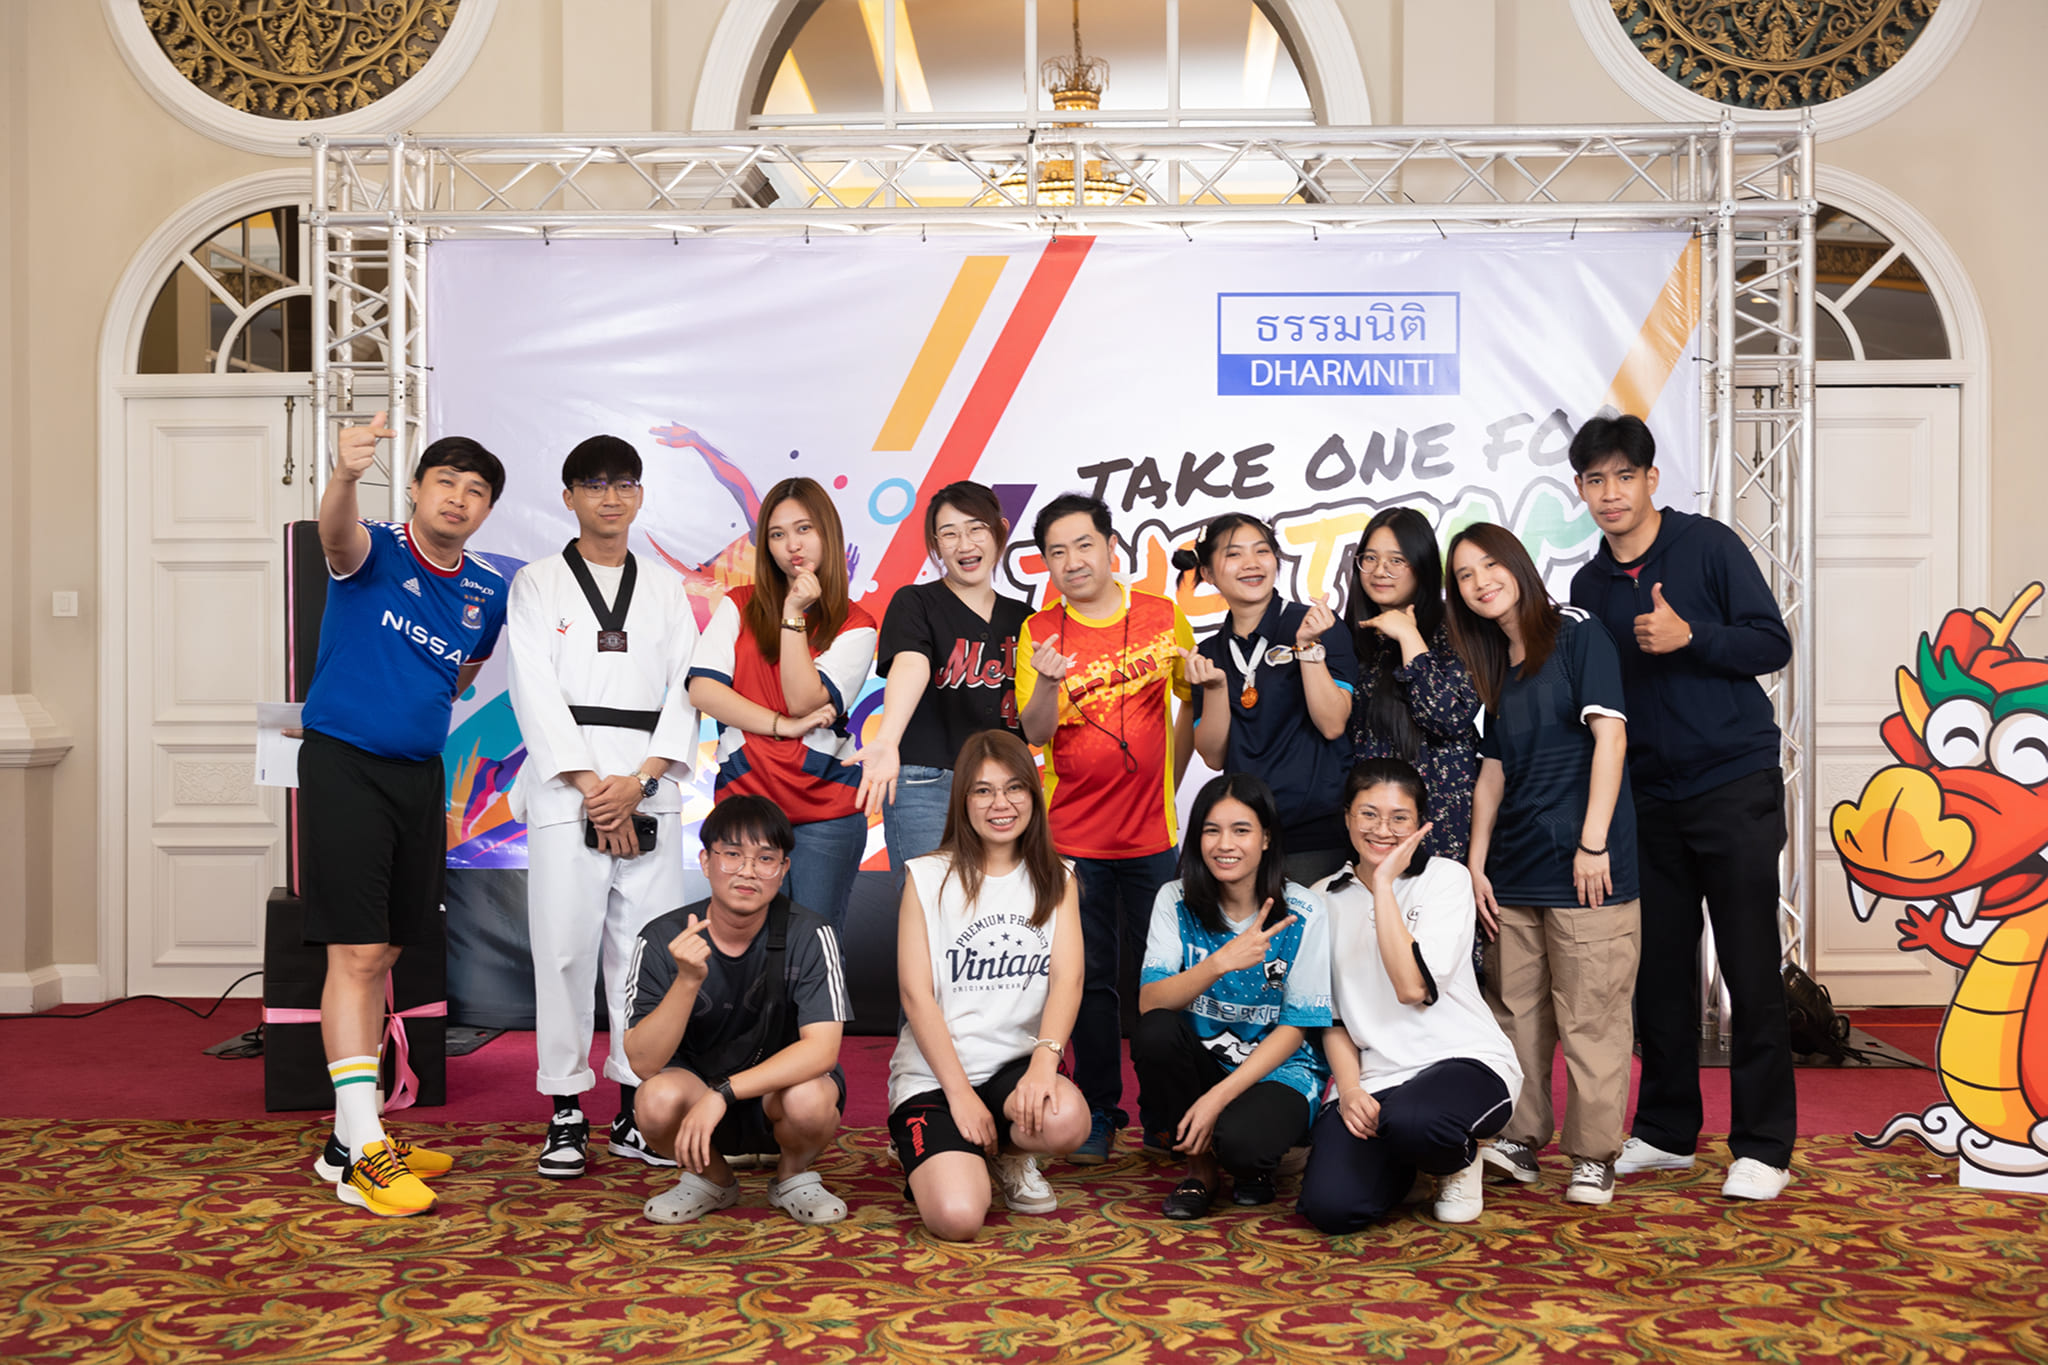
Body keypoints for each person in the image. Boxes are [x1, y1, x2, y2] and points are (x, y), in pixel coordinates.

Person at [1568, 413, 1798, 1201]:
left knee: (1748, 967)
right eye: (1595, 480)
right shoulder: (1587, 588)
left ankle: (1763, 1145)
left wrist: (1690, 635)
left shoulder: (1708, 546)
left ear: (1651, 479)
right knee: (1658, 974)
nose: (1611, 493)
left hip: (1731, 784)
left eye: (1623, 476)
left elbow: (1771, 643)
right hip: (1646, 799)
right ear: (1581, 490)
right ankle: (1668, 1129)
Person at [299, 410, 507, 1216]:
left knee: (383, 949)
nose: (458, 497)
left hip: (419, 775)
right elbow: (335, 536)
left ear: (486, 509)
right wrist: (346, 474)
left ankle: (348, 1138)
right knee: (354, 952)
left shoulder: (487, 591)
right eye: (445, 481)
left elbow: (459, 677)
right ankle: (363, 1153)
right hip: (345, 763)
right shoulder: (375, 547)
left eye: (476, 489)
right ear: (415, 489)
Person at [505, 434, 700, 1180]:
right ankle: (564, 1106)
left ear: (640, 495)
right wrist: (593, 787)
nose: (610, 497)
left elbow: (690, 688)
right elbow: (531, 686)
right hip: (568, 788)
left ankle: (631, 1105)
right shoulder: (538, 583)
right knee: (562, 949)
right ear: (569, 497)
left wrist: (640, 782)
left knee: (643, 952)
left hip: (649, 785)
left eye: (623, 484)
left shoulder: (666, 589)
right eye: (593, 484)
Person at [1446, 521, 1640, 1207]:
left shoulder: (1576, 633)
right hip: (1515, 868)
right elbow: (1493, 771)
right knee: (1516, 1013)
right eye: (1464, 576)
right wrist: (1476, 862)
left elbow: (1610, 738)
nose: (1480, 582)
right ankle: (1521, 1137)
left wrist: (1593, 843)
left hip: (1588, 869)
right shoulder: (1497, 660)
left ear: (1518, 564)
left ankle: (1593, 1156)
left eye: (1489, 565)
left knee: (1592, 1016)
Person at [1015, 492, 1196, 1163]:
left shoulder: (1162, 616)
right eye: (1056, 552)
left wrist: (1170, 778)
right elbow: (1034, 733)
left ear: (1111, 547)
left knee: (1162, 977)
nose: (1072, 561)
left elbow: (1193, 701)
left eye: (1084, 545)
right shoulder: (1039, 631)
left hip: (1151, 836)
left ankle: (1166, 1111)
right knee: (1087, 981)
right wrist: (1046, 682)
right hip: (1071, 841)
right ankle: (1098, 1108)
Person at [1297, 759, 1522, 1232]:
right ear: (1347, 817)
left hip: (1464, 1061)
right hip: (1379, 1079)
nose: (1383, 830)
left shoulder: (1445, 878)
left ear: (1421, 824)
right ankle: (1410, 1164)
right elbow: (1330, 1017)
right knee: (1331, 1208)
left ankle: (1459, 1158)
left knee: (1415, 1120)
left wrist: (1381, 884)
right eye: (1368, 814)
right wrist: (1351, 1090)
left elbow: (1412, 988)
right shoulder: (1319, 899)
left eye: (1399, 818)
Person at [888, 730, 1090, 1240]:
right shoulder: (926, 876)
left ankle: (1010, 1154)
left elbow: (1068, 980)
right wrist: (959, 1096)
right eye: (983, 790)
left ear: (1033, 795)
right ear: (963, 800)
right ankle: (942, 1153)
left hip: (1012, 1071)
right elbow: (915, 996)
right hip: (936, 1079)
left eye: (1014, 787)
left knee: (1068, 1121)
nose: (1001, 803)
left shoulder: (1058, 877)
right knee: (956, 1217)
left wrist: (1043, 1065)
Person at [625, 795, 853, 1226]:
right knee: (654, 1101)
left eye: (765, 858)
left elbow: (822, 1051)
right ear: (705, 861)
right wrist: (687, 980)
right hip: (694, 1098)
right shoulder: (661, 936)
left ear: (783, 869)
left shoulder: (811, 933)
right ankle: (712, 1179)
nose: (748, 871)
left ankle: (792, 1176)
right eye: (732, 854)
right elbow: (643, 1062)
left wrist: (724, 1093)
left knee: (812, 1098)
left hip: (775, 1096)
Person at [1132, 774, 1332, 1219]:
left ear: (1266, 838)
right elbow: (1150, 1003)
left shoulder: (1304, 910)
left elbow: (1296, 1029)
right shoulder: (1174, 899)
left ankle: (1253, 1157)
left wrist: (1216, 1100)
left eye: (1241, 830)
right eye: (1212, 830)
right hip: (1204, 1061)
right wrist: (1219, 962)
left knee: (1244, 1147)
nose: (1225, 844)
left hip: (1280, 1070)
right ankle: (1200, 1170)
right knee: (1156, 1031)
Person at [688, 477, 877, 933]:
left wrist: (793, 614)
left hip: (826, 810)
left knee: (814, 946)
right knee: (745, 945)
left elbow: (802, 699)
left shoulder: (856, 623)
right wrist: (780, 726)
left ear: (827, 532)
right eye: (777, 534)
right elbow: (703, 691)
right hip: (745, 802)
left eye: (804, 529)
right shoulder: (739, 604)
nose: (792, 545)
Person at [1174, 513, 1358, 885]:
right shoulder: (1208, 653)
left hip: (1317, 837)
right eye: (1234, 554)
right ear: (1208, 573)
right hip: (1246, 838)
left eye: (1262, 551)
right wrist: (1215, 688)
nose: (1252, 563)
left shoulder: (1317, 624)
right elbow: (1213, 756)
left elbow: (1332, 723)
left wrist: (1307, 648)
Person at [857, 481, 1032, 870]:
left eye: (976, 529)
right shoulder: (916, 602)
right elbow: (912, 663)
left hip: (1004, 789)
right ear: (936, 545)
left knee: (1002, 900)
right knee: (931, 899)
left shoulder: (1025, 619)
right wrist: (887, 740)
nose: (964, 544)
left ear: (1000, 531)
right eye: (949, 534)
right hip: (927, 782)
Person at [1345, 506, 1482, 867]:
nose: (1380, 571)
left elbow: (1448, 717)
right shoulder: (1351, 636)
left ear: (1422, 566)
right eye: (1370, 558)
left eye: (1396, 560)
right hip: (1369, 829)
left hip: (1440, 826)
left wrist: (1408, 637)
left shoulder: (1457, 627)